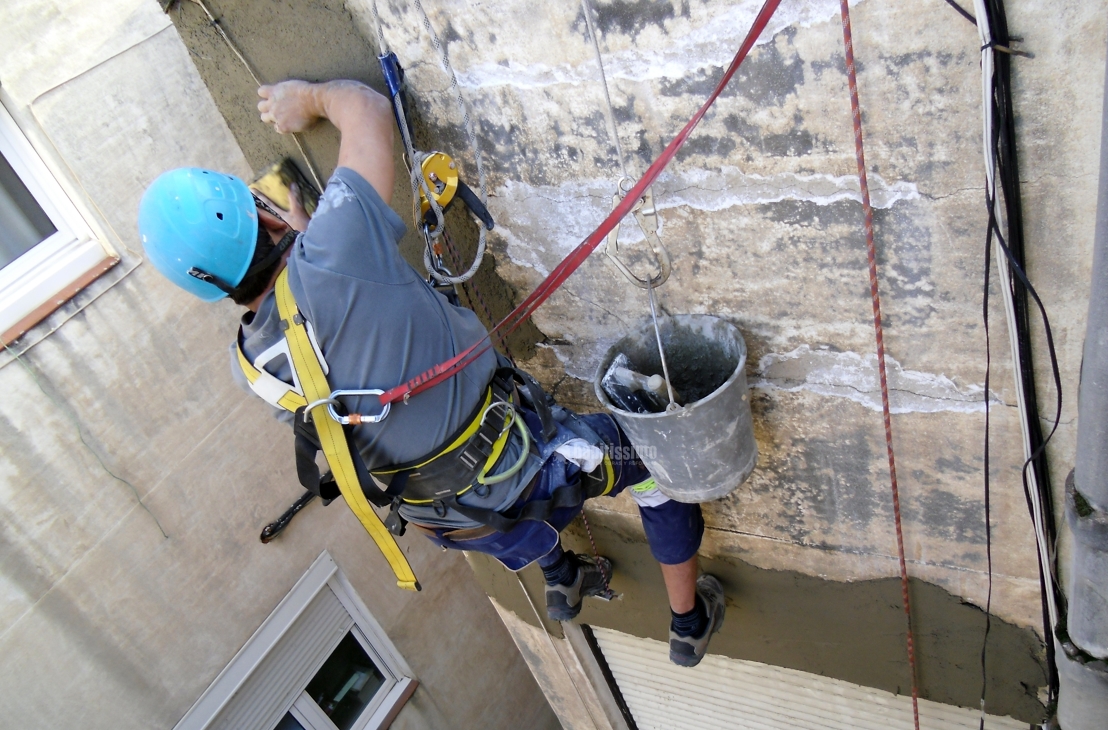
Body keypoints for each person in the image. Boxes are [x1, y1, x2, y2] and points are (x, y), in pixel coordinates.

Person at [138, 78, 725, 666]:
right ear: (265, 222)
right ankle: (687, 621)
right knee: (645, 462)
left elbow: (312, 330)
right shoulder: (335, 250)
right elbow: (366, 109)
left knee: (497, 503)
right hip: (524, 476)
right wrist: (308, 100)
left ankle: (561, 575)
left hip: (450, 520)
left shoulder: (250, 363)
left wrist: (304, 241)